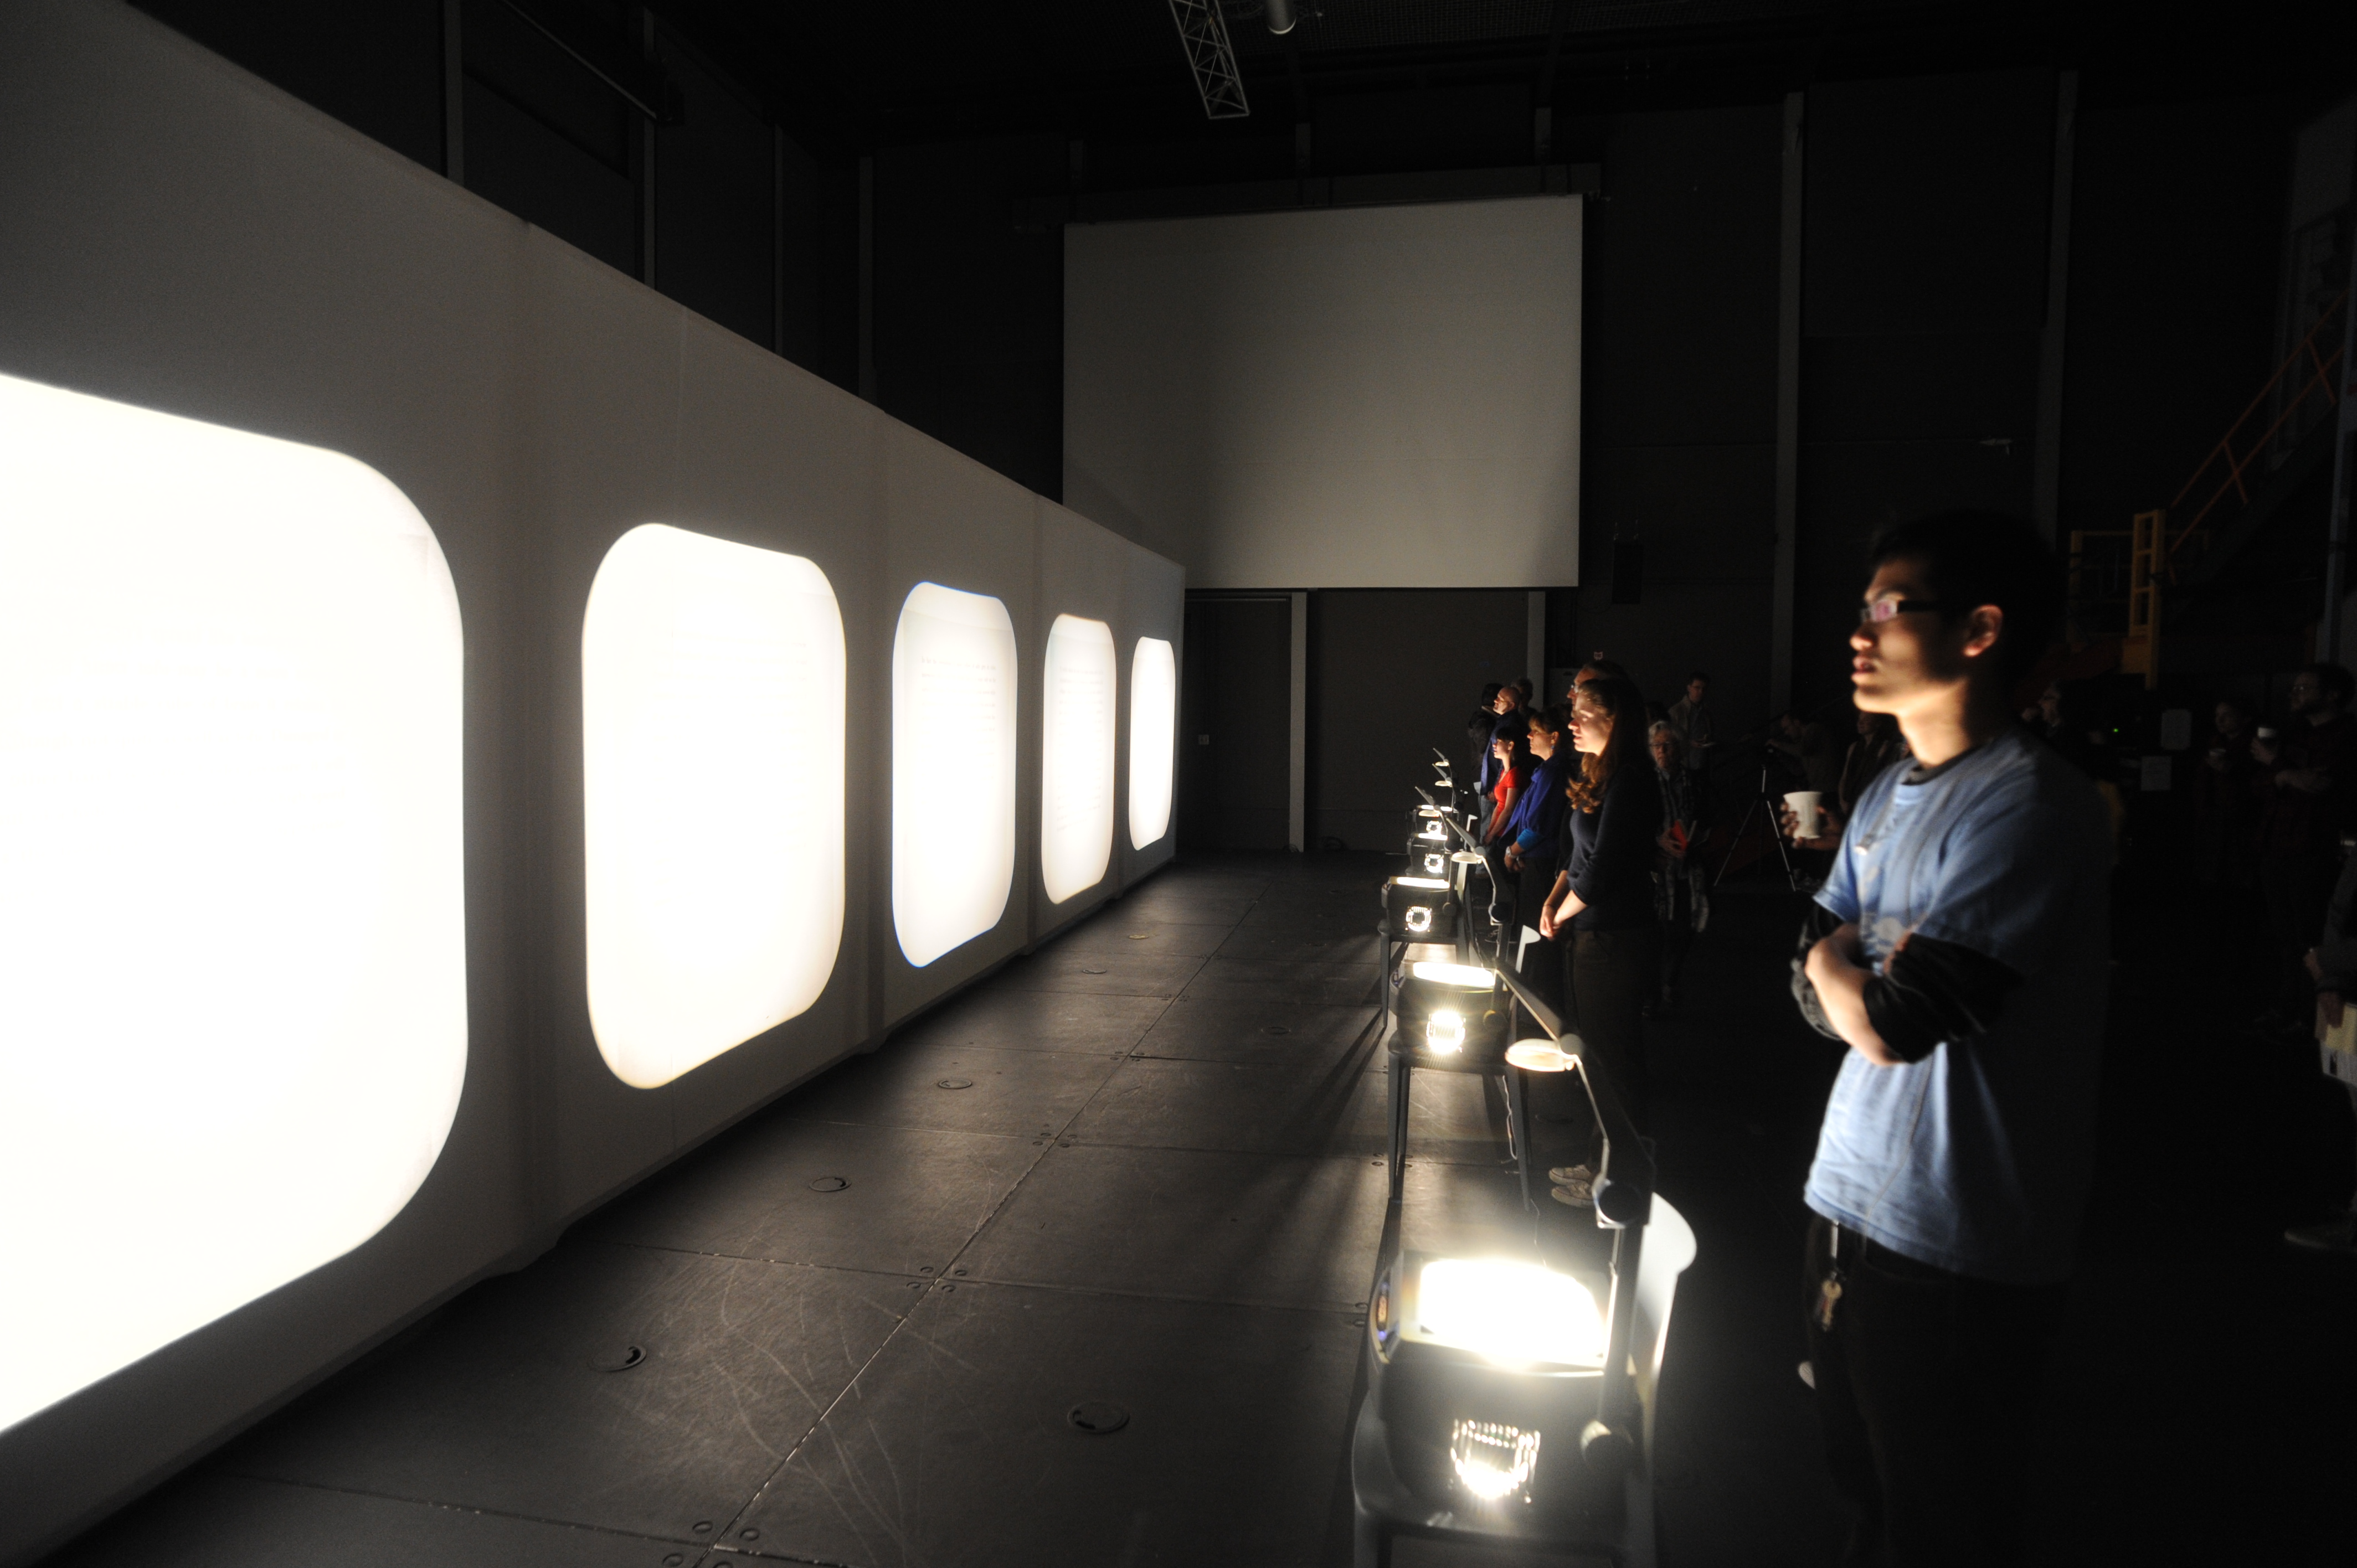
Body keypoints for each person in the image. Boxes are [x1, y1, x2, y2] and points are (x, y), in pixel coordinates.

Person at [1784, 509, 2109, 1566]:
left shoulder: (2030, 803)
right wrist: (1845, 970)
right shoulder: (1887, 790)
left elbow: (1896, 1023)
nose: (1860, 631)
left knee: (1943, 1523)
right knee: (1864, 1503)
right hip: (1845, 1200)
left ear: (1979, 629)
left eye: (1890, 607)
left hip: (1958, 1237)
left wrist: (1844, 969)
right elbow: (1807, 974)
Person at [1537, 675, 1661, 1206]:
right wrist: (1553, 902)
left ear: (1614, 720)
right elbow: (1576, 858)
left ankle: (1618, 1178)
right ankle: (1599, 1162)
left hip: (1615, 938)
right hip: (1589, 934)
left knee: (1614, 1062)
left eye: (1583, 714)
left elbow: (1603, 869)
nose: (1571, 723)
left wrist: (1560, 913)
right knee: (1596, 1056)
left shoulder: (1632, 780)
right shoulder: (1597, 774)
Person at [2254, 664, 2357, 1029]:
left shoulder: (2347, 737)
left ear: (2332, 695)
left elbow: (2319, 785)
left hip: (2314, 846)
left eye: (2304, 688)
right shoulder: (2294, 734)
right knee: (2286, 936)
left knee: (2312, 935)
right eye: (2294, 688)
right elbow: (2261, 784)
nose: (2294, 694)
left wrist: (2277, 767)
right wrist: (2284, 773)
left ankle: (2312, 1018)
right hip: (2277, 843)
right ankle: (2288, 1008)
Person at [2293, 849, 2357, 1255]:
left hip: (2344, 978)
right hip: (2344, 992)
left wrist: (2326, 961)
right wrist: (2328, 979)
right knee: (2348, 1094)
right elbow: (2341, 908)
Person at [1649, 721, 1707, 1014]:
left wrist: (1697, 838)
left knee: (1683, 931)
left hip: (1688, 868)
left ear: (1680, 749)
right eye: (1657, 746)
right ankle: (1655, 992)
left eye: (1668, 745)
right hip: (1657, 869)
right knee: (1657, 934)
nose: (1662, 751)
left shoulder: (1693, 781)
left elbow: (1706, 816)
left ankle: (1669, 984)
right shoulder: (1647, 782)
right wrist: (1657, 841)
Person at [1668, 670, 1715, 819]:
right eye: (1697, 688)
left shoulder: (1705, 711)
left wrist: (1707, 740)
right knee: (1687, 805)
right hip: (1685, 766)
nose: (1700, 692)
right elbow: (1669, 740)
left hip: (1702, 763)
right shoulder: (1676, 712)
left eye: (1704, 689)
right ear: (1689, 688)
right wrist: (1689, 743)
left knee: (1701, 803)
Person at [1768, 709, 1842, 797]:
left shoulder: (1814, 729)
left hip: (1828, 789)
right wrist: (1781, 756)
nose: (1786, 733)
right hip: (1818, 789)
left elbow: (1802, 750)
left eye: (1787, 728)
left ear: (1797, 722)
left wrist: (1777, 744)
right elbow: (1799, 770)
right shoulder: (1804, 741)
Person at [1483, 726, 1529, 844]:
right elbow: (1499, 805)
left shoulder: (1514, 774)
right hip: (1497, 832)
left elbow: (1509, 810)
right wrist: (1490, 830)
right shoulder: (1505, 772)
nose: (1494, 745)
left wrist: (1492, 834)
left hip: (1504, 834)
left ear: (1510, 745)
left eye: (1499, 742)